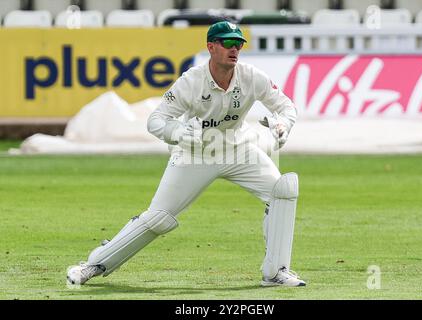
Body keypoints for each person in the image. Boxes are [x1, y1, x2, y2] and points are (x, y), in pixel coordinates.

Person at [67, 21, 305, 287]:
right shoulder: (191, 81)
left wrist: (283, 125)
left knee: (282, 190)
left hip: (238, 149)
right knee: (158, 216)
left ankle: (276, 272)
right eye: (227, 43)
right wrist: (179, 133)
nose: (234, 48)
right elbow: (156, 120)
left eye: (238, 43)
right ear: (211, 47)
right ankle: (93, 265)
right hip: (195, 153)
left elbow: (285, 106)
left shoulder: (252, 76)